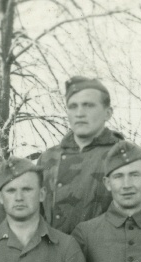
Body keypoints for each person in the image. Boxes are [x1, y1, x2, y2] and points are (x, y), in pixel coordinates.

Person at [37, 76, 125, 236]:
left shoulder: (124, 156)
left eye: (88, 105)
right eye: (73, 106)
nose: (79, 113)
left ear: (108, 113)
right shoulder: (48, 158)